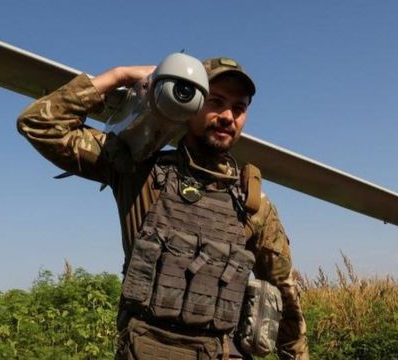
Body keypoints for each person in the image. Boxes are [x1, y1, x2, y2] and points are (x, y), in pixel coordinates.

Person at [17, 57, 309, 360]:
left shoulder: (253, 204)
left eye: (239, 108)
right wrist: (121, 75)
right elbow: (39, 123)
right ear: (192, 103)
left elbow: (286, 297)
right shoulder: (140, 171)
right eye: (216, 101)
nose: (227, 116)